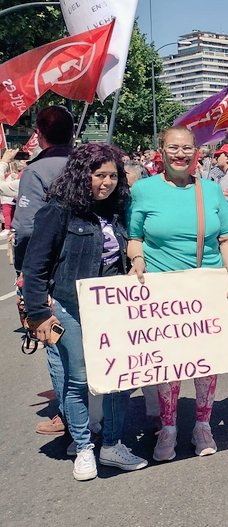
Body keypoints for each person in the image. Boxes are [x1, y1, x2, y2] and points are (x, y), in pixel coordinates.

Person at [23, 144, 148, 480]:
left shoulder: (118, 209)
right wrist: (38, 313)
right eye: (99, 175)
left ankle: (112, 444)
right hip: (71, 307)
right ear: (82, 174)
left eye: (112, 176)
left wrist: (135, 262)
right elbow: (35, 265)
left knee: (119, 379)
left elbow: (131, 246)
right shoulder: (58, 210)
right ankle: (83, 447)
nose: (106, 183)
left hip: (113, 307)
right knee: (78, 380)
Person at [128, 126, 228, 461]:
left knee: (207, 362)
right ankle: (169, 427)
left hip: (206, 288)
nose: (180, 154)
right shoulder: (144, 190)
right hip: (163, 292)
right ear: (160, 150)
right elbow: (134, 237)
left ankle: (202, 424)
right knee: (170, 364)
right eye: (173, 148)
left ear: (197, 153)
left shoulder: (210, 190)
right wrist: (136, 259)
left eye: (187, 148)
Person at [13, 106, 75, 436]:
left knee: (56, 344)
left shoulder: (36, 171)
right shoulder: (88, 163)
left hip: (50, 270)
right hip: (91, 265)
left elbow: (25, 229)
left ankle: (67, 414)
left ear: (40, 133)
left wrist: (24, 270)